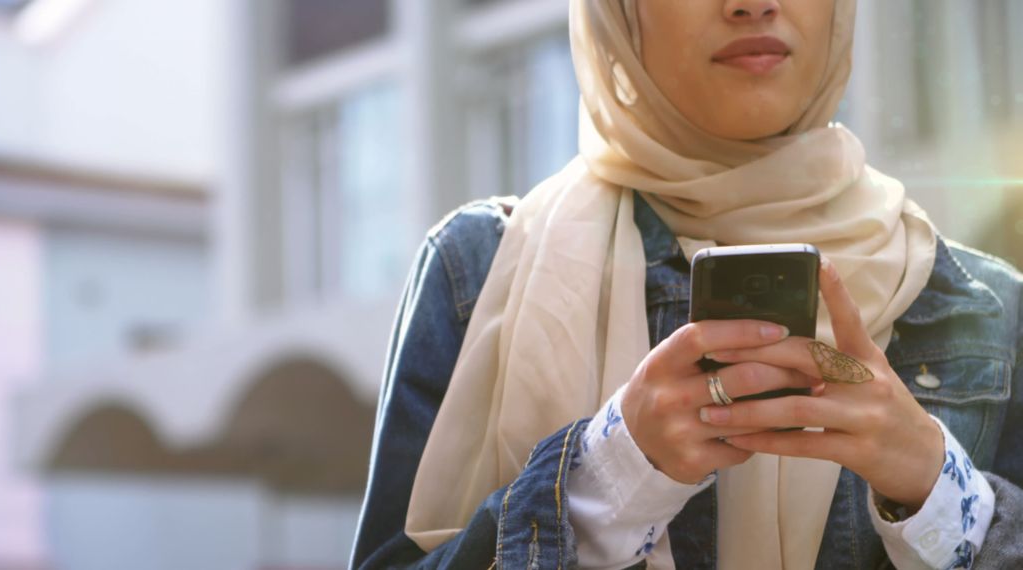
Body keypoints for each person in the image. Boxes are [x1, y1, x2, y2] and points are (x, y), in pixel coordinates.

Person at [350, 0, 1023, 568]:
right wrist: (607, 477)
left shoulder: (983, 304)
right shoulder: (479, 266)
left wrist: (939, 492)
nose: (754, 3)